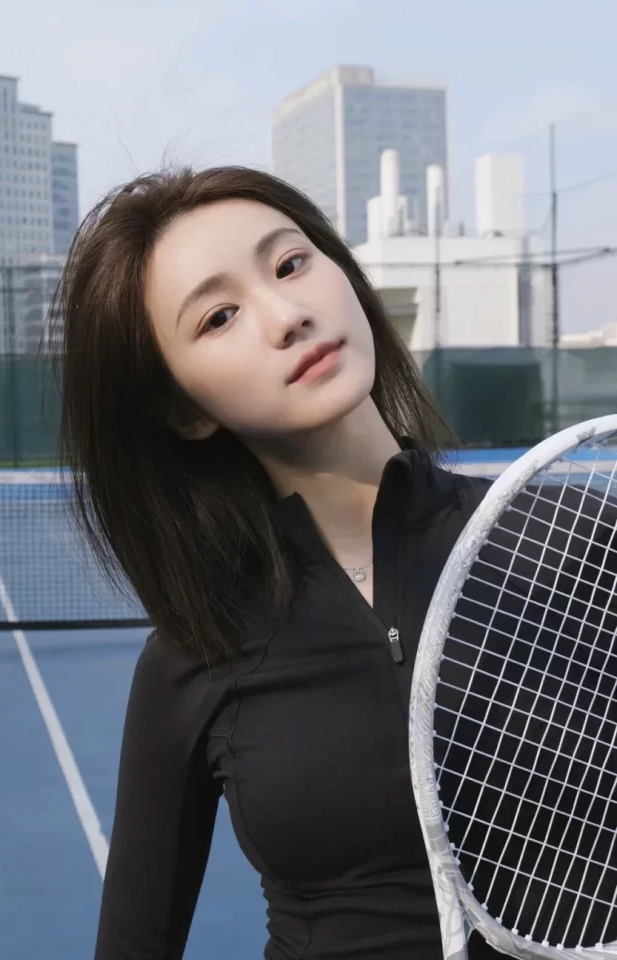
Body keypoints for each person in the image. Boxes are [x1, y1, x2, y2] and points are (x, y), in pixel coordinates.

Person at [53, 165, 499, 958]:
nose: (288, 316)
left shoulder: (566, 538)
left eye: (291, 264)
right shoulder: (196, 654)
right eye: (219, 316)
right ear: (183, 411)